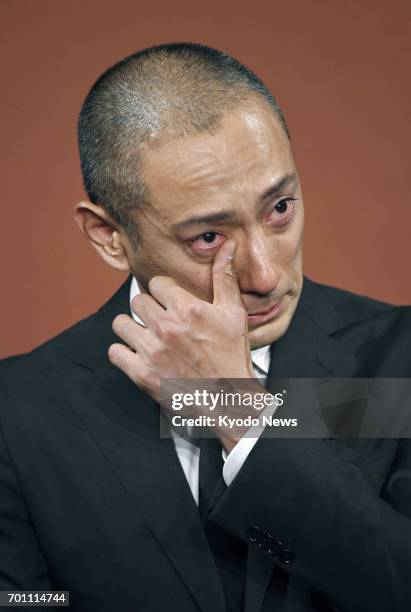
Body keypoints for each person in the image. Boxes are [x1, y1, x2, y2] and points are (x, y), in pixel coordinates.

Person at [0, 42, 410, 612]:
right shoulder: (15, 413)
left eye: (280, 209)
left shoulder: (399, 362)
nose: (265, 276)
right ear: (108, 236)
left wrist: (242, 417)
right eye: (208, 238)